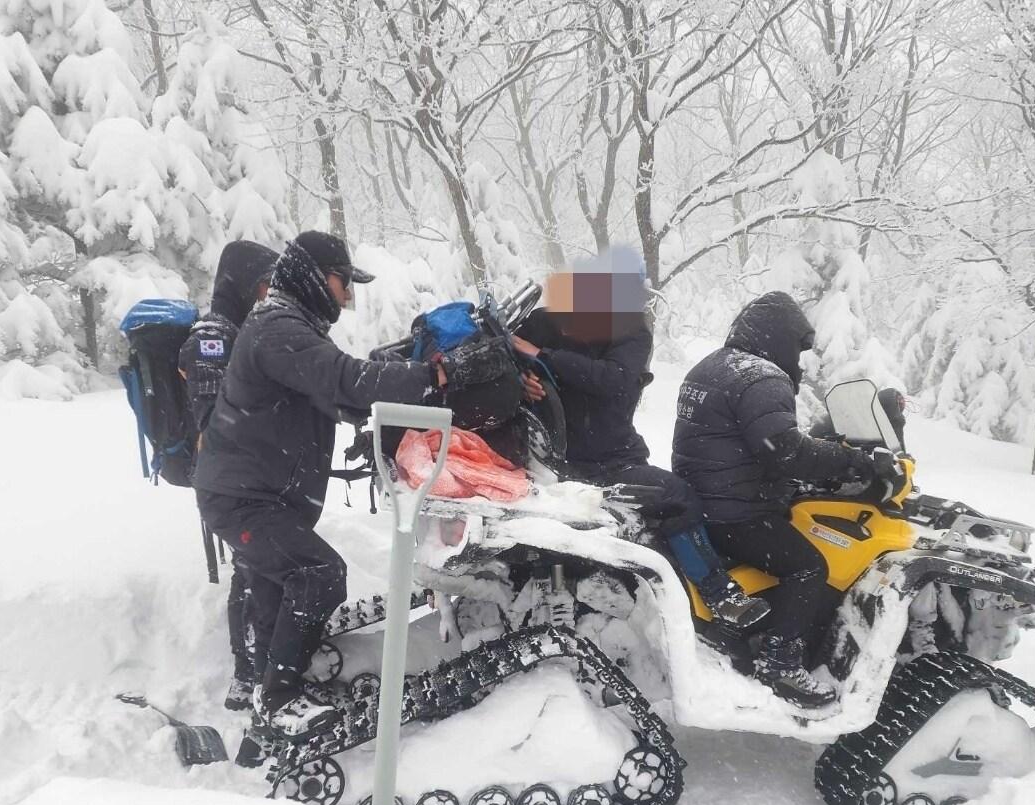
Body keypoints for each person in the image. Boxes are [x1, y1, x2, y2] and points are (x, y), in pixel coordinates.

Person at [193, 231, 489, 741]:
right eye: (342, 283)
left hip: (262, 496)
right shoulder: (276, 327)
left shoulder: (290, 327)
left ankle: (269, 721)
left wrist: (399, 388)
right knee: (319, 573)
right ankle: (280, 701)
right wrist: (437, 378)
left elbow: (346, 399)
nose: (348, 296)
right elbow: (345, 382)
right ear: (312, 277)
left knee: (274, 599)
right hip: (244, 499)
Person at [672, 291, 904, 707]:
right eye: (797, 349)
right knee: (810, 565)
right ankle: (781, 661)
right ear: (779, 337)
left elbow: (741, 442)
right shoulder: (762, 377)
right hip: (734, 512)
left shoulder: (713, 366)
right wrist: (854, 461)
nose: (798, 361)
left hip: (702, 499)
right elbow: (785, 450)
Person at [513, 254, 769, 628]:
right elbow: (506, 351)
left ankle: (702, 587)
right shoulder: (543, 322)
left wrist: (543, 357)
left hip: (611, 457)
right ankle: (718, 592)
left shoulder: (630, 334)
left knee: (674, 496)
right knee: (678, 497)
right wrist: (522, 380)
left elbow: (613, 380)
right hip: (575, 463)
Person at [178, 239, 279, 713]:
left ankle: (255, 671)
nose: (265, 292)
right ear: (239, 280)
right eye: (260, 281)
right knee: (249, 571)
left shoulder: (234, 328)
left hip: (244, 476)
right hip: (229, 482)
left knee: (253, 570)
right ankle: (246, 676)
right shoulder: (211, 337)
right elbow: (216, 418)